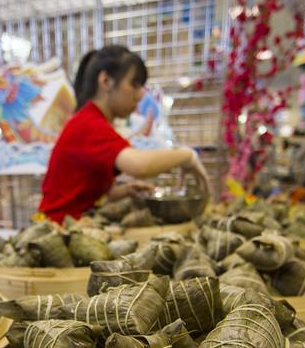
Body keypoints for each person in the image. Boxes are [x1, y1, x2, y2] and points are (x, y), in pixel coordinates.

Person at [39, 45, 210, 222]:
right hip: (55, 231)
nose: (140, 95)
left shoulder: (94, 121)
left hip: (75, 226)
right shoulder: (88, 124)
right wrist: (186, 155)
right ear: (106, 81)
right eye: (134, 85)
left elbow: (84, 191)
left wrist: (122, 191)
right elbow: (139, 166)